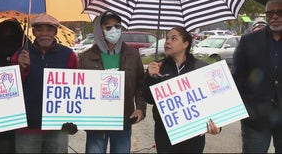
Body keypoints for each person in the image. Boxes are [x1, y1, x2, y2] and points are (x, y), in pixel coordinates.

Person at [142, 26, 222, 153]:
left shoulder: (201, 68)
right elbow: (149, 99)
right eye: (167, 38)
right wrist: (150, 77)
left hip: (194, 135)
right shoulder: (158, 67)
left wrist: (218, 125)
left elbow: (214, 100)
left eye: (173, 38)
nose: (168, 41)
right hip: (165, 134)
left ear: (185, 44)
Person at [78, 10, 147, 153]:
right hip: (96, 122)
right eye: (108, 27)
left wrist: (140, 108)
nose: (113, 30)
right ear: (99, 30)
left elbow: (141, 84)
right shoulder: (86, 57)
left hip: (123, 119)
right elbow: (78, 89)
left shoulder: (132, 55)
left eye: (117, 26)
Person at [11, 13, 78, 153]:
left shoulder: (68, 55)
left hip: (58, 127)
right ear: (33, 32)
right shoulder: (21, 54)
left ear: (55, 32)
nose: (44, 34)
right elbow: (11, 89)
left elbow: (77, 89)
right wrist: (20, 68)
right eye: (39, 29)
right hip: (27, 126)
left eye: (49, 29)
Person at [232, 0, 282, 153]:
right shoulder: (248, 41)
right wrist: (245, 108)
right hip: (255, 120)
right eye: (270, 13)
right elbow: (237, 78)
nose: (274, 16)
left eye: (280, 12)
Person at [0, 19, 25, 153]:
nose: (8, 35)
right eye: (4, 32)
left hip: (22, 114)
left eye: (11, 32)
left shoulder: (27, 51)